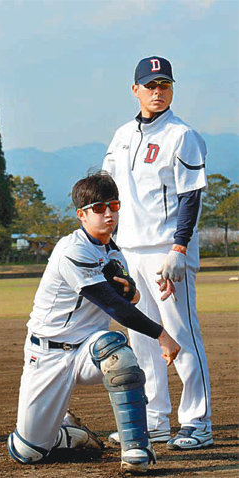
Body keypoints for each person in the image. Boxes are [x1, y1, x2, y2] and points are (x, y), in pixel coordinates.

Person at [7, 172, 180, 473]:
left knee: (117, 353)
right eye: (99, 208)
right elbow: (113, 306)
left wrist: (132, 290)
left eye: (114, 205)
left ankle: (137, 447)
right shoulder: (72, 250)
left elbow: (127, 297)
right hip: (47, 353)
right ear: (81, 215)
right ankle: (65, 432)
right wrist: (162, 335)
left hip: (87, 349)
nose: (109, 214)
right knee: (28, 451)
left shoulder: (115, 252)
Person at [102, 56, 212, 450]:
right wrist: (109, 244)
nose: (158, 92)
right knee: (142, 338)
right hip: (131, 251)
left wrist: (179, 247)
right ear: (135, 90)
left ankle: (197, 422)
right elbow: (108, 192)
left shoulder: (181, 135)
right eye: (150, 85)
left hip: (168, 254)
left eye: (164, 84)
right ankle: (155, 419)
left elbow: (190, 196)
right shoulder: (121, 136)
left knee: (182, 335)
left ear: (172, 88)